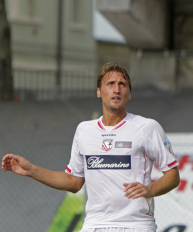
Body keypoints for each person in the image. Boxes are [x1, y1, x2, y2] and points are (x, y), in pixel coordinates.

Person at [2, 62, 180, 232]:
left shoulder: (147, 127)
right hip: (94, 225)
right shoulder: (84, 130)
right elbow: (73, 182)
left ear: (129, 94)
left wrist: (150, 189)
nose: (117, 89)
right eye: (110, 83)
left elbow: (173, 175)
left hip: (136, 225)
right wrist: (31, 170)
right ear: (98, 91)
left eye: (122, 84)